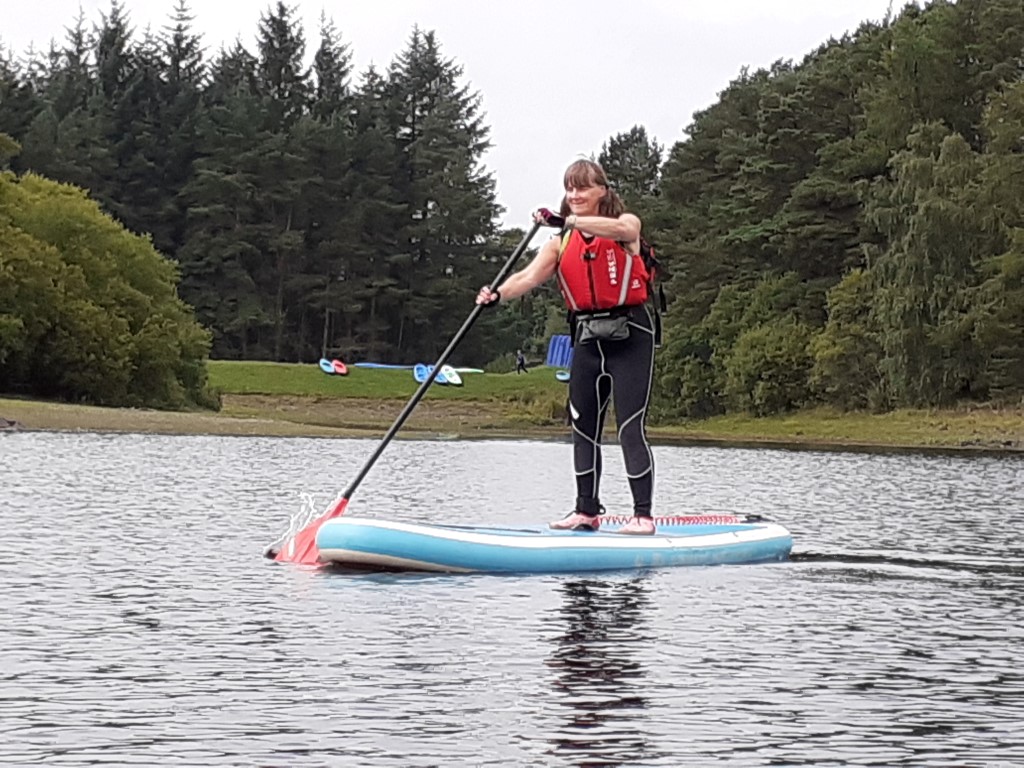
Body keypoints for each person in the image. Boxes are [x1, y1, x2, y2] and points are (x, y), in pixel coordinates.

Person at [476, 159, 657, 535]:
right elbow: (525, 277)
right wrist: (496, 296)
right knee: (582, 426)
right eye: (569, 189)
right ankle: (585, 511)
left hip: (631, 335)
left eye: (583, 188)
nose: (574, 195)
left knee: (628, 427)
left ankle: (642, 516)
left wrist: (568, 221)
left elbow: (622, 228)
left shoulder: (627, 226)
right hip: (589, 337)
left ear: (602, 192)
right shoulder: (560, 243)